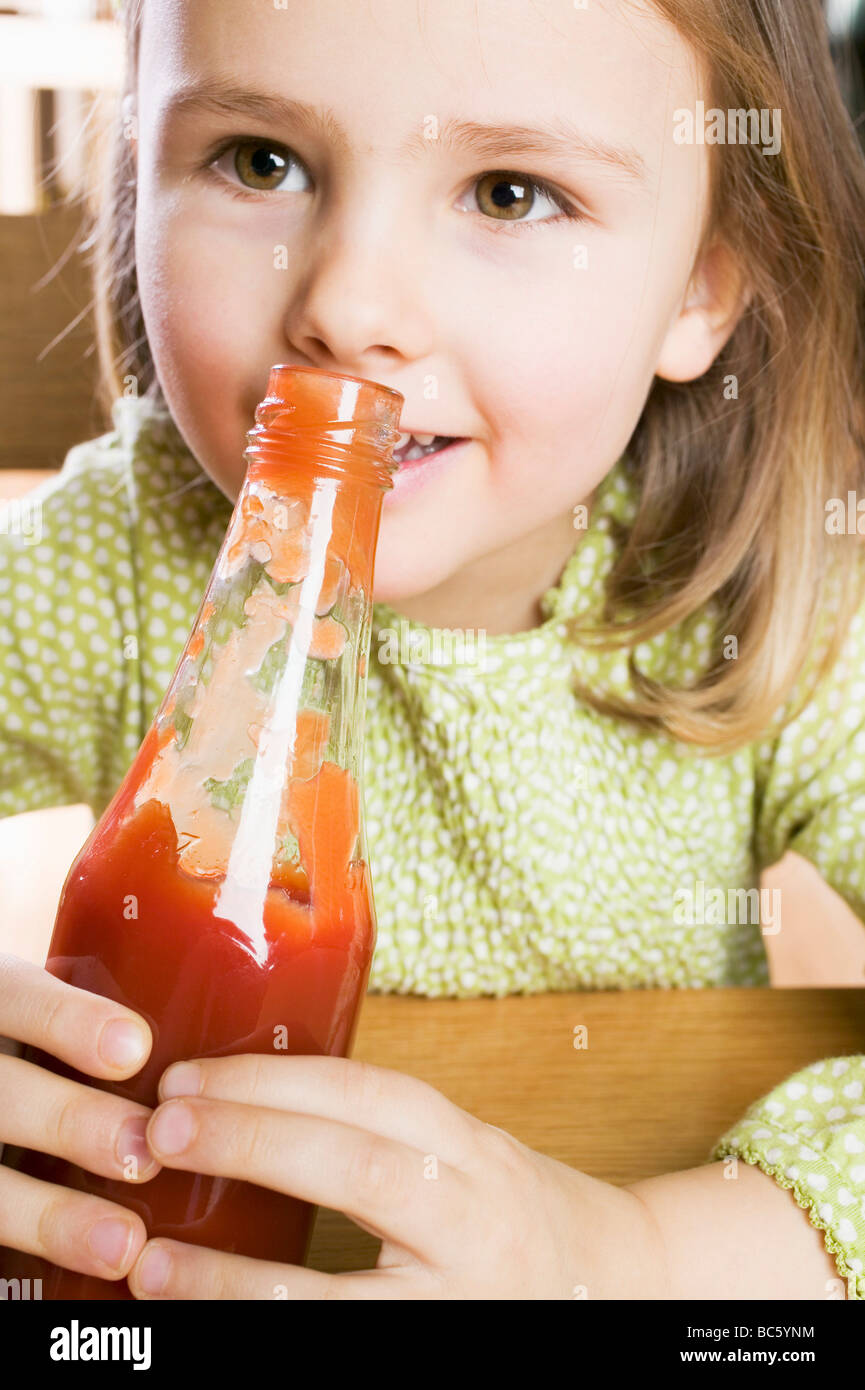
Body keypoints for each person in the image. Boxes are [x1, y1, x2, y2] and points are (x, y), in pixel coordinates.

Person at [1, 0, 864, 1299]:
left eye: (510, 191)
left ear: (700, 284)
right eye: (257, 161)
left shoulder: (778, 611)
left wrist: (633, 1250)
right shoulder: (110, 559)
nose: (348, 307)